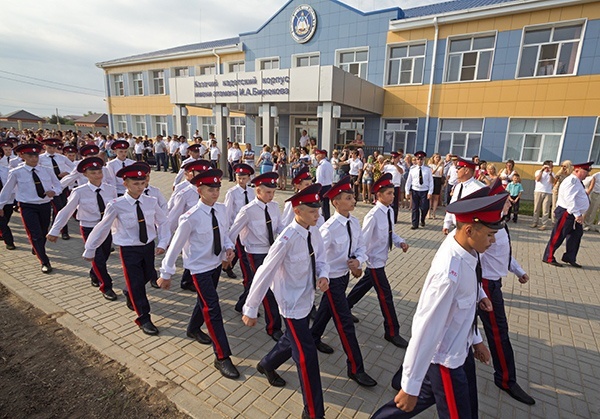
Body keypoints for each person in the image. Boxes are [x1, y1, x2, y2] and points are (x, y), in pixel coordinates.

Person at [373, 188, 506, 419]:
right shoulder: (448, 273)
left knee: (428, 401)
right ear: (469, 229)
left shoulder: (467, 249)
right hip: (445, 361)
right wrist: (409, 385)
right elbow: (426, 329)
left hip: (460, 351)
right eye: (489, 235)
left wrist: (476, 340)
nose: (493, 241)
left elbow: (463, 303)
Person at [242, 183, 329, 419]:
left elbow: (321, 258)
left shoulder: (314, 230)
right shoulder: (286, 239)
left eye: (318, 210)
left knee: (291, 341)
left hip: (307, 297)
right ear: (298, 211)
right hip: (290, 304)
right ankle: (313, 412)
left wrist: (323, 275)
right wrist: (250, 307)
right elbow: (264, 272)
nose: (318, 215)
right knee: (307, 355)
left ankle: (268, 364)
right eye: (312, 211)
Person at [158, 169, 240, 379]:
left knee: (204, 301)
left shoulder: (220, 210)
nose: (215, 192)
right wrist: (166, 273)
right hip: (199, 269)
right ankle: (222, 357)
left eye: (217, 188)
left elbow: (224, 233)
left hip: (214, 265)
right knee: (212, 308)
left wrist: (228, 247)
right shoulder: (190, 217)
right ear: (199, 190)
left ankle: (193, 328)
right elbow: (175, 247)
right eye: (210, 189)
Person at [82, 163, 170, 335]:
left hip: (148, 247)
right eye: (135, 184)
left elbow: (163, 222)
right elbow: (102, 227)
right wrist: (90, 249)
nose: (140, 187)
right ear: (125, 184)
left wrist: (163, 243)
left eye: (142, 183)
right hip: (129, 250)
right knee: (137, 284)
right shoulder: (116, 204)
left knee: (147, 276)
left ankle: (128, 290)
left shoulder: (151, 202)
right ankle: (144, 318)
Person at [310, 176, 378, 387]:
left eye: (353, 197)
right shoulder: (328, 228)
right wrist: (319, 278)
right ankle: (356, 368)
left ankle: (312, 339)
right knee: (345, 323)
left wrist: (358, 261)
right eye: (348, 198)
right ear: (336, 203)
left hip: (344, 276)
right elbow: (317, 255)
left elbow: (360, 246)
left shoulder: (354, 222)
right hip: (331, 280)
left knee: (325, 311)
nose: (353, 200)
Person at [479, 179, 536, 405]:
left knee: (453, 326)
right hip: (484, 286)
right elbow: (474, 262)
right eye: (505, 202)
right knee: (498, 332)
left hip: (492, 284)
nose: (510, 204)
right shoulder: (487, 229)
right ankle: (505, 379)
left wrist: (518, 271)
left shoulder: (500, 225)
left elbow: (504, 254)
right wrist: (479, 293)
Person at [346, 173, 410, 347]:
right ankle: (392, 332)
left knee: (364, 286)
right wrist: (358, 261)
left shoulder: (389, 211)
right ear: (379, 195)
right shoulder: (373, 215)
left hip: (382, 258)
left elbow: (390, 232)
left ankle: (345, 306)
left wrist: (400, 242)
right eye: (389, 193)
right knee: (386, 296)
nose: (392, 196)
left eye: (393, 193)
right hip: (374, 261)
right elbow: (363, 241)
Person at [47, 157, 118, 300]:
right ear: (85, 175)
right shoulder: (79, 191)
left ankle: (94, 273)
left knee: (104, 256)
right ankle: (106, 286)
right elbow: (66, 211)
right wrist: (55, 230)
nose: (97, 175)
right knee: (97, 257)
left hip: (105, 227)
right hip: (89, 227)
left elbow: (116, 211)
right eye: (93, 173)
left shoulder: (110, 190)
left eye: (99, 172)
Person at [228, 172, 283, 341]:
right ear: (258, 191)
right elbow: (233, 232)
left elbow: (279, 227)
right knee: (266, 289)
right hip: (256, 253)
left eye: (273, 192)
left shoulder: (274, 207)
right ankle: (273, 327)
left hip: (272, 251)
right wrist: (228, 252)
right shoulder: (248, 211)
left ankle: (242, 303)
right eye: (268, 192)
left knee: (266, 285)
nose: (271, 196)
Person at [0, 143, 62, 273]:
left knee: (43, 231)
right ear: (22, 156)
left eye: (36, 155)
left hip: (44, 205)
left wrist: (54, 192)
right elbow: (7, 190)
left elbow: (58, 185)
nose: (34, 158)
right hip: (28, 206)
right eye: (30, 156)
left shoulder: (46, 170)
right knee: (36, 234)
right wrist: (0, 205)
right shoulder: (16, 172)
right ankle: (44, 261)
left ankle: (37, 248)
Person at [543, 161, 593, 268]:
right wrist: (577, 215)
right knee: (558, 235)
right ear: (577, 170)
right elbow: (570, 198)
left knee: (576, 235)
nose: (587, 174)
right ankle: (548, 256)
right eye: (585, 171)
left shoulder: (577, 181)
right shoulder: (572, 181)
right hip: (567, 212)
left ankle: (569, 257)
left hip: (574, 213)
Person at [223, 163, 255, 280]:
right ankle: (247, 277)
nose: (241, 180)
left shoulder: (251, 192)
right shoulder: (232, 193)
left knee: (238, 251)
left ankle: (227, 265)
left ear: (249, 178)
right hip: (236, 228)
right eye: (238, 178)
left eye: (243, 178)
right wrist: (227, 229)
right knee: (243, 254)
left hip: (249, 228)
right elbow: (227, 212)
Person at [39, 138, 74, 240]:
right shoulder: (40, 158)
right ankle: (62, 231)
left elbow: (74, 167)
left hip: (63, 185)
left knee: (62, 208)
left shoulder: (61, 157)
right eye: (50, 147)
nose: (52, 149)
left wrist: (67, 172)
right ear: (45, 147)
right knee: (58, 208)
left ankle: (58, 230)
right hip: (50, 187)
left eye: (54, 147)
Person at [443, 157, 486, 235]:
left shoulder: (479, 188)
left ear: (466, 170)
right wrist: (447, 224)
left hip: (471, 228)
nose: (456, 171)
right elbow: (452, 205)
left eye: (459, 168)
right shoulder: (458, 186)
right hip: (457, 225)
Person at [405, 151, 434, 230]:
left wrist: (430, 192)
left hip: (425, 190)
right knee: (415, 208)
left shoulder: (427, 169)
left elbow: (431, 181)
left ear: (423, 159)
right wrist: (407, 191)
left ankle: (422, 219)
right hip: (415, 190)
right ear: (416, 160)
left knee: (425, 207)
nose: (419, 161)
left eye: (421, 159)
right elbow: (409, 181)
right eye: (418, 159)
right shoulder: (412, 169)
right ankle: (415, 224)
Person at [531, 160, 555, 230]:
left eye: (551, 166)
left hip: (548, 192)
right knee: (536, 208)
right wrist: (542, 170)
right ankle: (535, 222)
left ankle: (544, 224)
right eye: (549, 166)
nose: (550, 167)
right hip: (538, 191)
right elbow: (538, 179)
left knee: (545, 209)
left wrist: (550, 173)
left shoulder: (552, 173)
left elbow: (552, 182)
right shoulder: (538, 172)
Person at [0, 148, 16, 250]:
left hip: (8, 200)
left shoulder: (6, 170)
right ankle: (9, 242)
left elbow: (12, 185)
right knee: (2, 221)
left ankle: (2, 234)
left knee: (5, 219)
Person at [383, 152, 405, 223]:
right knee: (386, 202)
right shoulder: (388, 166)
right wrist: (384, 163)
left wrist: (395, 165)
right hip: (388, 186)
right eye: (392, 158)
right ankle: (387, 217)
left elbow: (401, 172)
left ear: (398, 159)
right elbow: (380, 170)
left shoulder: (400, 166)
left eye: (395, 158)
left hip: (395, 186)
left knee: (395, 203)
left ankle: (394, 218)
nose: (393, 159)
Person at [315, 149, 334, 220]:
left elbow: (319, 179)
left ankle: (322, 219)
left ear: (323, 155)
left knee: (320, 205)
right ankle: (327, 218)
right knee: (326, 205)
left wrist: (316, 189)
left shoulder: (322, 165)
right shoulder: (329, 164)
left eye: (318, 154)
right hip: (328, 186)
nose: (316, 156)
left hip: (322, 187)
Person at [428, 153, 444, 219]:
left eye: (438, 157)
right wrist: (438, 166)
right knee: (430, 197)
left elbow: (440, 174)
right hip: (432, 179)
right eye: (436, 157)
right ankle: (428, 212)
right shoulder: (430, 165)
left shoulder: (441, 166)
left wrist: (442, 167)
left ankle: (434, 213)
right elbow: (432, 172)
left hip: (438, 180)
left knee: (436, 197)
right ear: (433, 158)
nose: (437, 159)